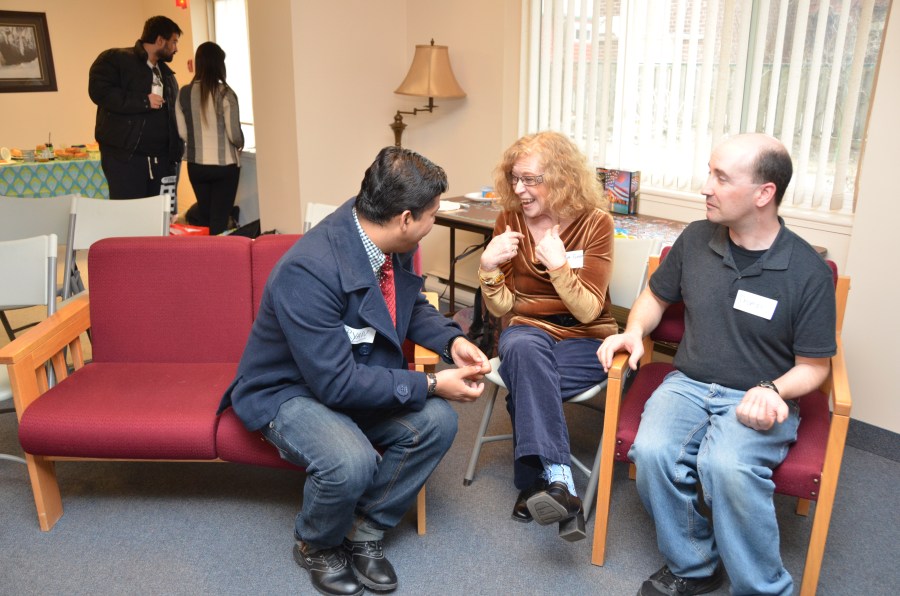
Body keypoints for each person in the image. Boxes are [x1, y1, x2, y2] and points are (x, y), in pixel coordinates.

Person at [220, 146, 491, 596]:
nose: (433, 223)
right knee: (351, 461)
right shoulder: (307, 270)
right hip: (289, 390)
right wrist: (432, 382)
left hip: (353, 377)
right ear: (405, 218)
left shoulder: (386, 240)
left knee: (438, 423)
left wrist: (452, 341)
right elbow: (337, 385)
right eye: (432, 215)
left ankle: (364, 528)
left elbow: (407, 306)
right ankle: (316, 543)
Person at [597, 133, 836, 596]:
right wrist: (634, 331)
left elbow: (815, 366)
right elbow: (655, 297)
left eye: (721, 178)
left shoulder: (807, 271)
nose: (705, 187)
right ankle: (695, 564)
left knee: (727, 466)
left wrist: (774, 391)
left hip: (758, 395)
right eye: (710, 173)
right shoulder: (695, 238)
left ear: (764, 193)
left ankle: (764, 589)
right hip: (688, 383)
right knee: (653, 452)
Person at [478, 131, 617, 542]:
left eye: (530, 179)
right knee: (521, 347)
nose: (519, 189)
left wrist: (558, 267)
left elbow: (589, 310)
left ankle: (533, 484)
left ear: (559, 177)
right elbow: (502, 308)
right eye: (514, 178)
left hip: (586, 338)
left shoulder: (595, 223)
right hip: (529, 332)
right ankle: (562, 481)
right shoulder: (509, 221)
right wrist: (488, 268)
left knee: (525, 379)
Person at [88, 16, 184, 200]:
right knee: (130, 214)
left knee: (160, 214)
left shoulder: (167, 74)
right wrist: (143, 101)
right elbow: (99, 92)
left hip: (163, 162)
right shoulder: (114, 59)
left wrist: (176, 153)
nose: (176, 48)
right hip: (126, 160)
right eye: (174, 42)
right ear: (159, 40)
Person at [175, 41, 244, 235]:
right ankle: (219, 253)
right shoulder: (226, 94)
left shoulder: (184, 93)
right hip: (224, 167)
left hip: (196, 165)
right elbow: (234, 135)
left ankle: (206, 252)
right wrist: (240, 143)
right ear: (219, 65)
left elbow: (183, 133)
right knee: (219, 221)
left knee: (205, 217)